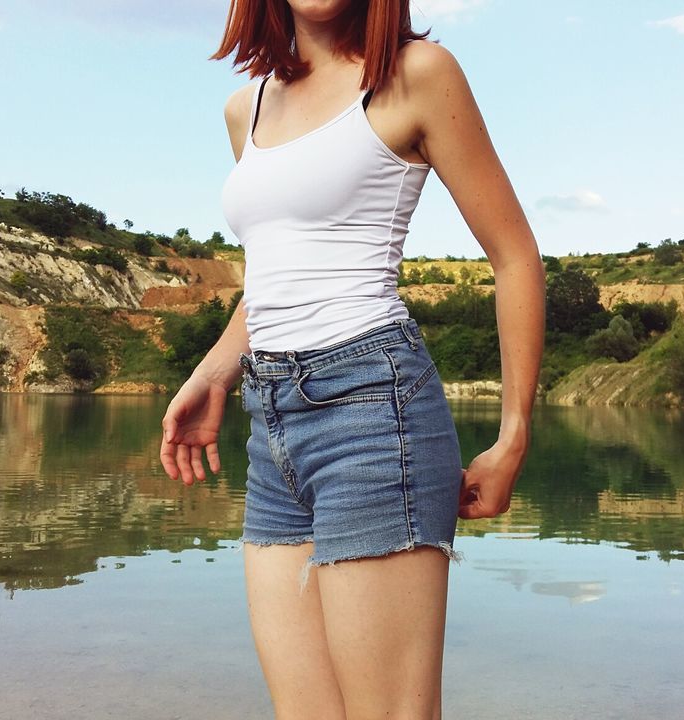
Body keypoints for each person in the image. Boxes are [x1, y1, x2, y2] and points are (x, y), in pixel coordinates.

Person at [158, 0, 545, 717]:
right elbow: (278, 274)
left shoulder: (417, 74)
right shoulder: (246, 108)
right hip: (270, 427)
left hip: (376, 410)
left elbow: (515, 255)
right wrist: (214, 369)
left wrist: (513, 434)